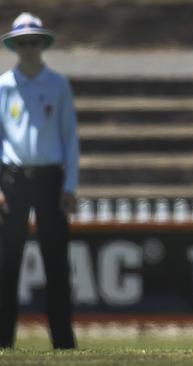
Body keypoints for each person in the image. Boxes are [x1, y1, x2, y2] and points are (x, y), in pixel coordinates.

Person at [0, 12, 79, 349]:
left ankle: (63, 342)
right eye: (23, 43)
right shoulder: (3, 85)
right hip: (13, 180)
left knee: (56, 263)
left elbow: (70, 137)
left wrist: (70, 186)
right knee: (7, 263)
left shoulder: (57, 84)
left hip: (50, 179)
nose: (29, 48)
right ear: (16, 46)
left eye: (34, 42)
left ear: (42, 45)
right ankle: (4, 340)